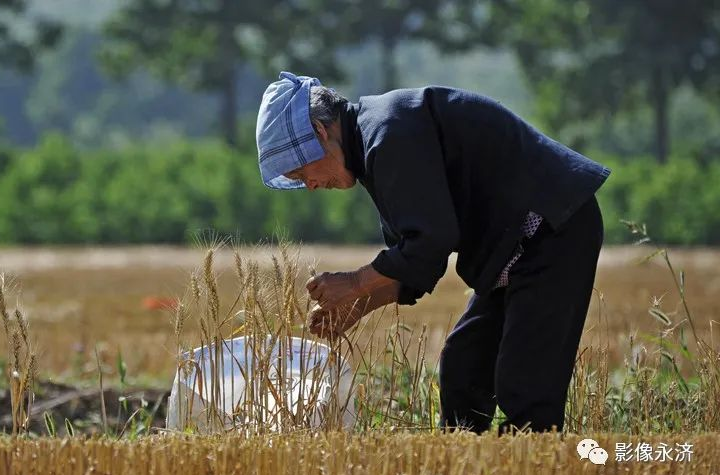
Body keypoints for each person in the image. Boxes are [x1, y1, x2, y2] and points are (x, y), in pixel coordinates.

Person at [254, 71, 610, 434]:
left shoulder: (388, 132)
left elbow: (431, 241)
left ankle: (534, 466)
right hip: (514, 248)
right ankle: (462, 467)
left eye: (302, 174)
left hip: (550, 226)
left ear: (319, 132)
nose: (311, 187)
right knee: (463, 368)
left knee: (526, 385)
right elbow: (413, 264)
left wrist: (356, 282)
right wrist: (358, 306)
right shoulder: (373, 143)